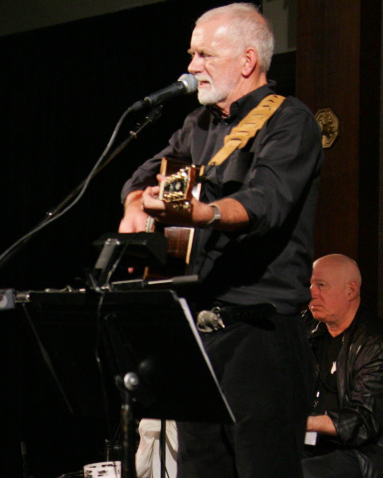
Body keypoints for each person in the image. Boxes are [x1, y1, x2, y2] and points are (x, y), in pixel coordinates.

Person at [118, 3, 323, 477]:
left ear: (247, 61)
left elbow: (263, 205)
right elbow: (146, 173)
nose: (191, 67)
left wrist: (202, 213)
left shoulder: (290, 121)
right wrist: (134, 205)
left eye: (205, 55)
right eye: (192, 54)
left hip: (261, 335)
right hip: (201, 333)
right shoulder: (198, 126)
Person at [303, 254, 383, 478]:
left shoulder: (375, 342)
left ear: (351, 290)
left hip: (362, 451)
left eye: (321, 285)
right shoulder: (307, 329)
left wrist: (305, 422)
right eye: (309, 284)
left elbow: (363, 421)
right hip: (311, 441)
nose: (311, 293)